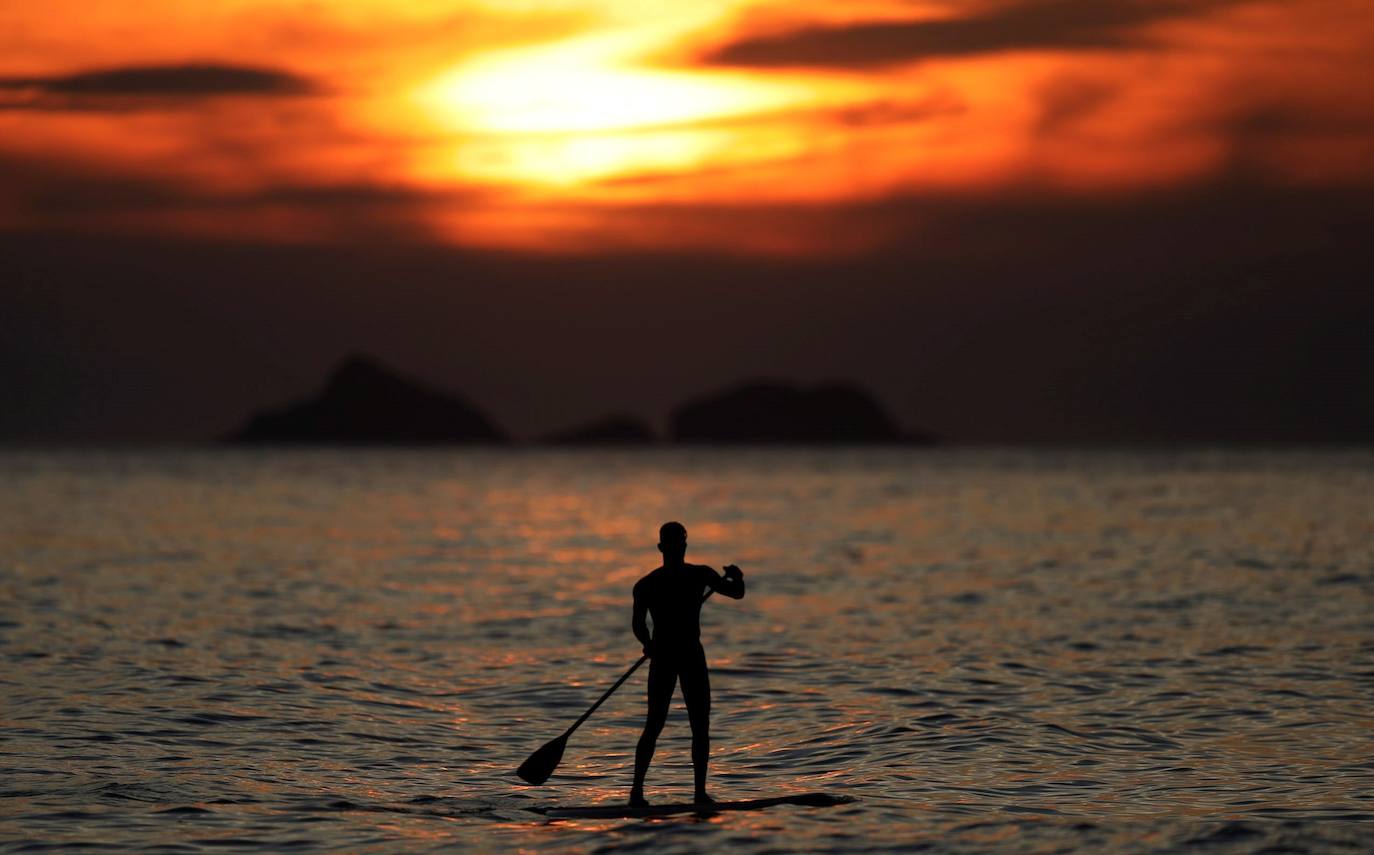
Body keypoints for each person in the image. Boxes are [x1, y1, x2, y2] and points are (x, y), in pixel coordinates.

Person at [629, 521, 745, 807]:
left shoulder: (685, 577)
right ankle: (638, 795)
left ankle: (697, 794)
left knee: (695, 724)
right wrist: (648, 643)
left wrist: (736, 579)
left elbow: (735, 593)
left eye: (679, 543)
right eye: (675, 543)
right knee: (658, 724)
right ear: (666, 547)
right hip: (674, 656)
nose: (677, 548)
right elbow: (638, 625)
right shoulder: (652, 584)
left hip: (686, 655)